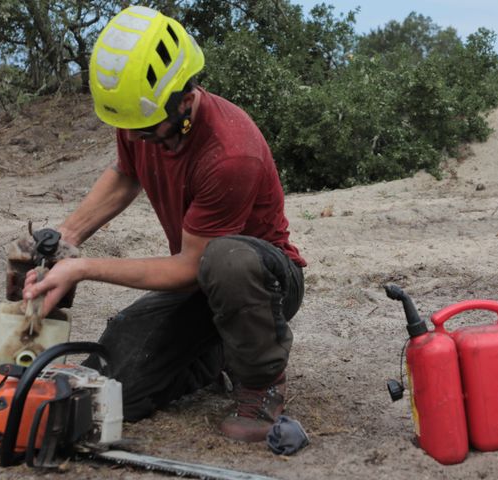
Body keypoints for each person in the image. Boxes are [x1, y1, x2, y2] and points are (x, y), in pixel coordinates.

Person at [22, 5, 306, 443]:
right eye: (129, 128)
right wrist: (66, 239)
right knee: (116, 389)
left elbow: (191, 265)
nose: (135, 138)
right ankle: (211, 354)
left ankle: (262, 383)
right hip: (201, 280)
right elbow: (125, 174)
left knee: (225, 259)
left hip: (263, 284)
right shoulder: (144, 113)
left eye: (147, 129)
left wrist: (84, 268)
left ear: (186, 98)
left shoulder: (231, 154)